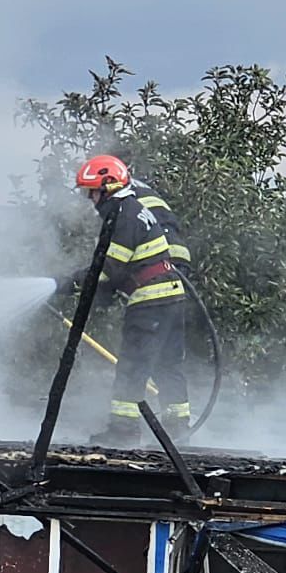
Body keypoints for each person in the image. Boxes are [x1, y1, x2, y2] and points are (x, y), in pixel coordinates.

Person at [61, 153, 193, 445]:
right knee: (167, 365)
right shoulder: (135, 209)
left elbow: (109, 268)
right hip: (172, 296)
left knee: (132, 365)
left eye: (91, 192)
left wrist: (69, 283)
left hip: (150, 299)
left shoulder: (122, 215)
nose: (90, 200)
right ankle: (178, 428)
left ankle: (123, 430)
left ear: (107, 186)